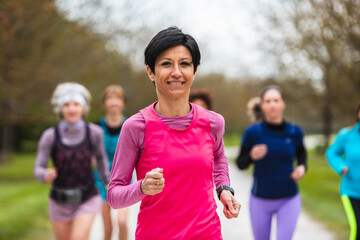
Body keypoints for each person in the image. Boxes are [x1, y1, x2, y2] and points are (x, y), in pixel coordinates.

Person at [107, 26, 240, 240]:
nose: (176, 72)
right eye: (166, 64)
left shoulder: (213, 122)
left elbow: (218, 157)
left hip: (207, 233)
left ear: (194, 71)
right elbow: (114, 196)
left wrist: (224, 189)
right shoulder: (136, 127)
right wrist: (142, 187)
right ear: (151, 71)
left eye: (185, 64)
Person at [34, 82, 110, 240]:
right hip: (59, 201)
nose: (71, 109)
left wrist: (108, 182)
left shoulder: (94, 133)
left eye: (76, 104)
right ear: (60, 109)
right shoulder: (50, 135)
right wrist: (44, 174)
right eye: (67, 104)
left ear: (83, 108)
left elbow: (102, 160)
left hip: (87, 198)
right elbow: (38, 167)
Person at [236, 85, 307, 240]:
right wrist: (251, 156)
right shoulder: (252, 132)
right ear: (262, 105)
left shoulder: (295, 131)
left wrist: (301, 168)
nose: (272, 104)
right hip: (260, 200)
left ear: (283, 103)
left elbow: (302, 156)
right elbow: (240, 164)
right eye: (268, 101)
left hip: (289, 198)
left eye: (276, 100)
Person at [93, 85, 130, 240]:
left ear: (123, 103)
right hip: (102, 180)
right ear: (104, 103)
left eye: (117, 98)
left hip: (124, 179)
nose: (114, 102)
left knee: (121, 222)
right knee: (108, 228)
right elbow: (92, 157)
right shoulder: (96, 127)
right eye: (110, 98)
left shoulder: (130, 125)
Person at [326, 101, 360, 240]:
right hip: (352, 191)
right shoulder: (347, 135)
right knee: (358, 229)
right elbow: (332, 152)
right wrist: (340, 166)